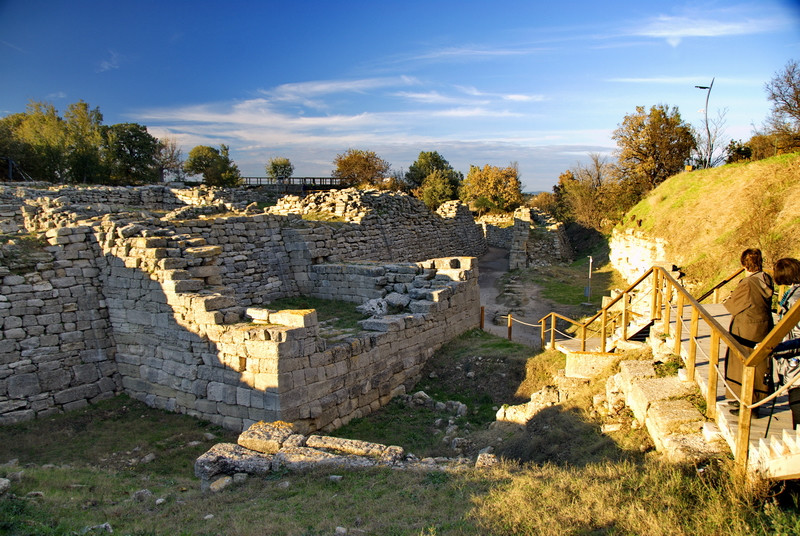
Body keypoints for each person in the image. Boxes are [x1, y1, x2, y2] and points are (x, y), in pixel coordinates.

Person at [723, 248, 774, 416]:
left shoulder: (747, 283)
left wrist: (729, 297)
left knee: (741, 365)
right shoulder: (765, 278)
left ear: (744, 264)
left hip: (746, 329)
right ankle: (756, 400)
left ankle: (745, 403)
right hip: (763, 326)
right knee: (759, 366)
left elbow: (732, 305)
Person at [771, 257, 800, 427]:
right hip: (792, 358)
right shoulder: (793, 293)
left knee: (797, 402)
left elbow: (796, 333)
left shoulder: (796, 298)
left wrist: (780, 348)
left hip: (795, 360)